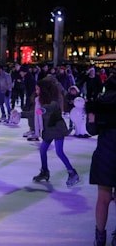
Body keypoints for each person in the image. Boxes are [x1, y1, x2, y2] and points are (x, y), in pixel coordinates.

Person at [31, 78, 80, 187]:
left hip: (57, 129)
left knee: (59, 152)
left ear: (43, 90)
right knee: (42, 150)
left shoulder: (54, 99)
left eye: (38, 89)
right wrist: (21, 114)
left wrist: (44, 109)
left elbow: (53, 106)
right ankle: (45, 171)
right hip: (48, 130)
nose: (36, 91)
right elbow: (33, 113)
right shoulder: (40, 99)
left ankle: (72, 173)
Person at [86, 75, 116, 246]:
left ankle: (100, 236)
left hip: (105, 154)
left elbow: (92, 129)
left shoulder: (101, 103)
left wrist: (92, 115)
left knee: (103, 198)